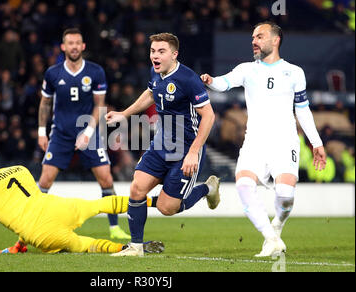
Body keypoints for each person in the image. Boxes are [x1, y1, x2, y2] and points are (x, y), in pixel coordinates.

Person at [200, 21, 327, 257]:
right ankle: (270, 238)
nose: (254, 41)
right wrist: (210, 81)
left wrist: (316, 143)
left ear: (275, 40)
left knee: (285, 196)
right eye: (252, 37)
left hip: (285, 141)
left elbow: (302, 109)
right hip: (254, 142)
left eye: (259, 36)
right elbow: (224, 83)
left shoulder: (295, 72)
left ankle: (277, 225)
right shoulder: (247, 70)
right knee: (243, 185)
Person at [105, 33, 220, 257]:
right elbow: (150, 93)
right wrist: (124, 114)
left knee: (168, 208)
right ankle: (136, 247)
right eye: (152, 51)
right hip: (161, 144)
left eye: (161, 51)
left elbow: (209, 116)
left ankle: (208, 188)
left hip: (186, 149)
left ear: (174, 54)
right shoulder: (155, 73)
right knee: (137, 188)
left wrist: (193, 153)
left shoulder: (188, 79)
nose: (155, 56)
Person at [0, 150, 164, 256]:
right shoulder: (19, 169)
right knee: (98, 205)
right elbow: (27, 204)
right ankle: (154, 200)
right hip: (59, 206)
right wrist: (19, 246)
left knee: (83, 244)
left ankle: (124, 249)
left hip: (39, 232)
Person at [36, 28, 130, 239]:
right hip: (60, 133)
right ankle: (29, 228)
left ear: (83, 46)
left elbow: (99, 105)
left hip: (89, 132)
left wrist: (87, 132)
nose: (74, 46)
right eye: (70, 43)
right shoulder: (52, 73)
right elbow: (45, 103)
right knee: (44, 181)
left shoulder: (96, 72)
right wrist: (42, 132)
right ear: (63, 47)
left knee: (106, 179)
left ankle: (114, 228)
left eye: (78, 43)